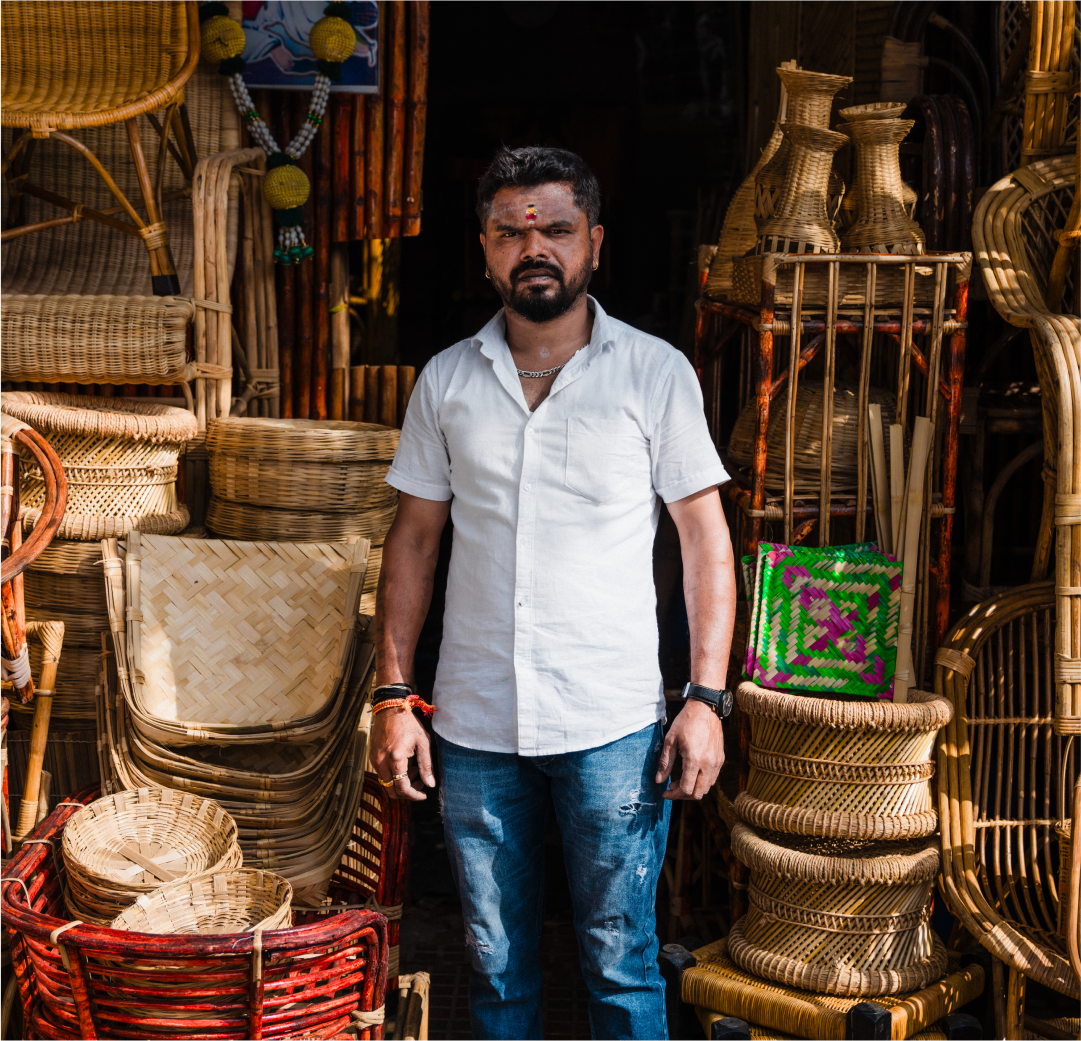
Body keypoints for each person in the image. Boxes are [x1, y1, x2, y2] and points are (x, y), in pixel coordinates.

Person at [371, 145, 736, 1040]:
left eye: (556, 229)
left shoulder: (653, 374)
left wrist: (706, 698)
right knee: (494, 962)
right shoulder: (448, 381)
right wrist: (392, 694)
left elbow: (705, 543)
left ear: (594, 243)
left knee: (620, 959)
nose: (534, 247)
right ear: (487, 249)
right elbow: (413, 541)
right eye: (510, 232)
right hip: (475, 719)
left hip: (610, 721)